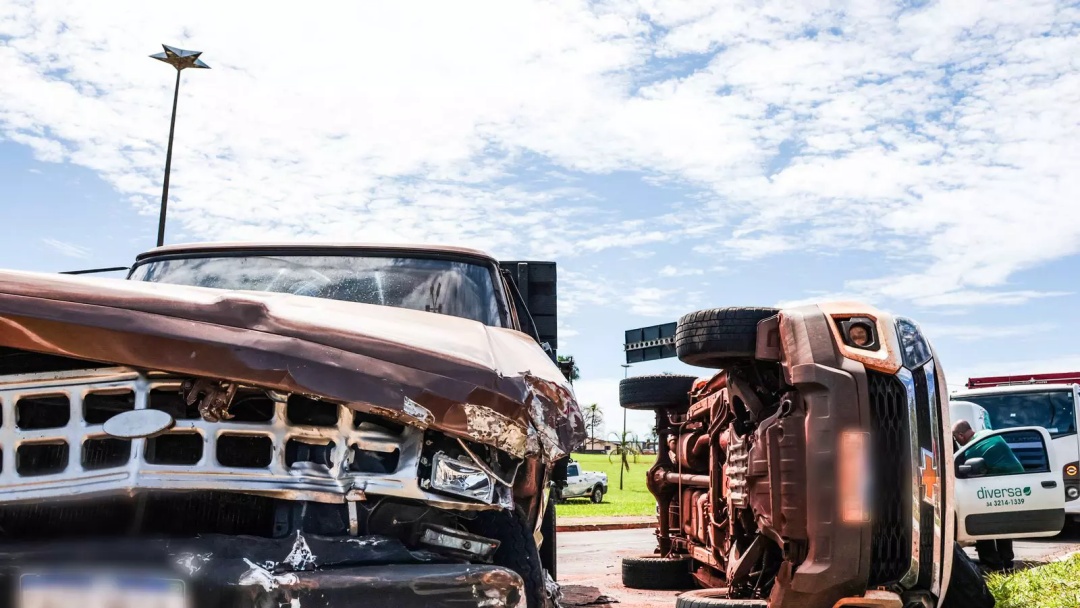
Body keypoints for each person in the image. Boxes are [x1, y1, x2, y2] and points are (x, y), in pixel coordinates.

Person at [953, 419, 1024, 571]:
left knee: (981, 524)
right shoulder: (987, 433)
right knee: (1003, 525)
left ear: (960, 435)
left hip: (995, 486)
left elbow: (965, 469)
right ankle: (1007, 562)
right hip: (1017, 481)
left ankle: (992, 564)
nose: (957, 441)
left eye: (955, 438)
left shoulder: (971, 450)